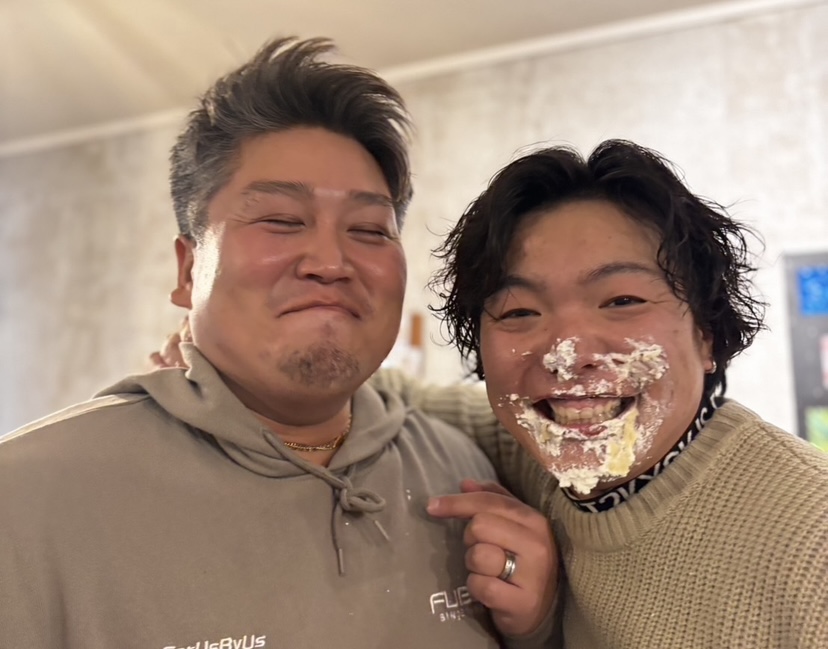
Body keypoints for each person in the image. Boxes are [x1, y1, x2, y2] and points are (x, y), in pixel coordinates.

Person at [0, 37, 559, 649]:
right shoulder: (26, 499)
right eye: (281, 221)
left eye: (369, 229)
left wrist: (534, 632)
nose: (331, 262)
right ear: (188, 270)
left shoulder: (461, 474)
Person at [409, 140, 828, 647]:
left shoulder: (812, 539)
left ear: (706, 333)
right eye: (520, 312)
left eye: (622, 300)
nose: (567, 354)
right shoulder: (525, 452)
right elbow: (378, 389)